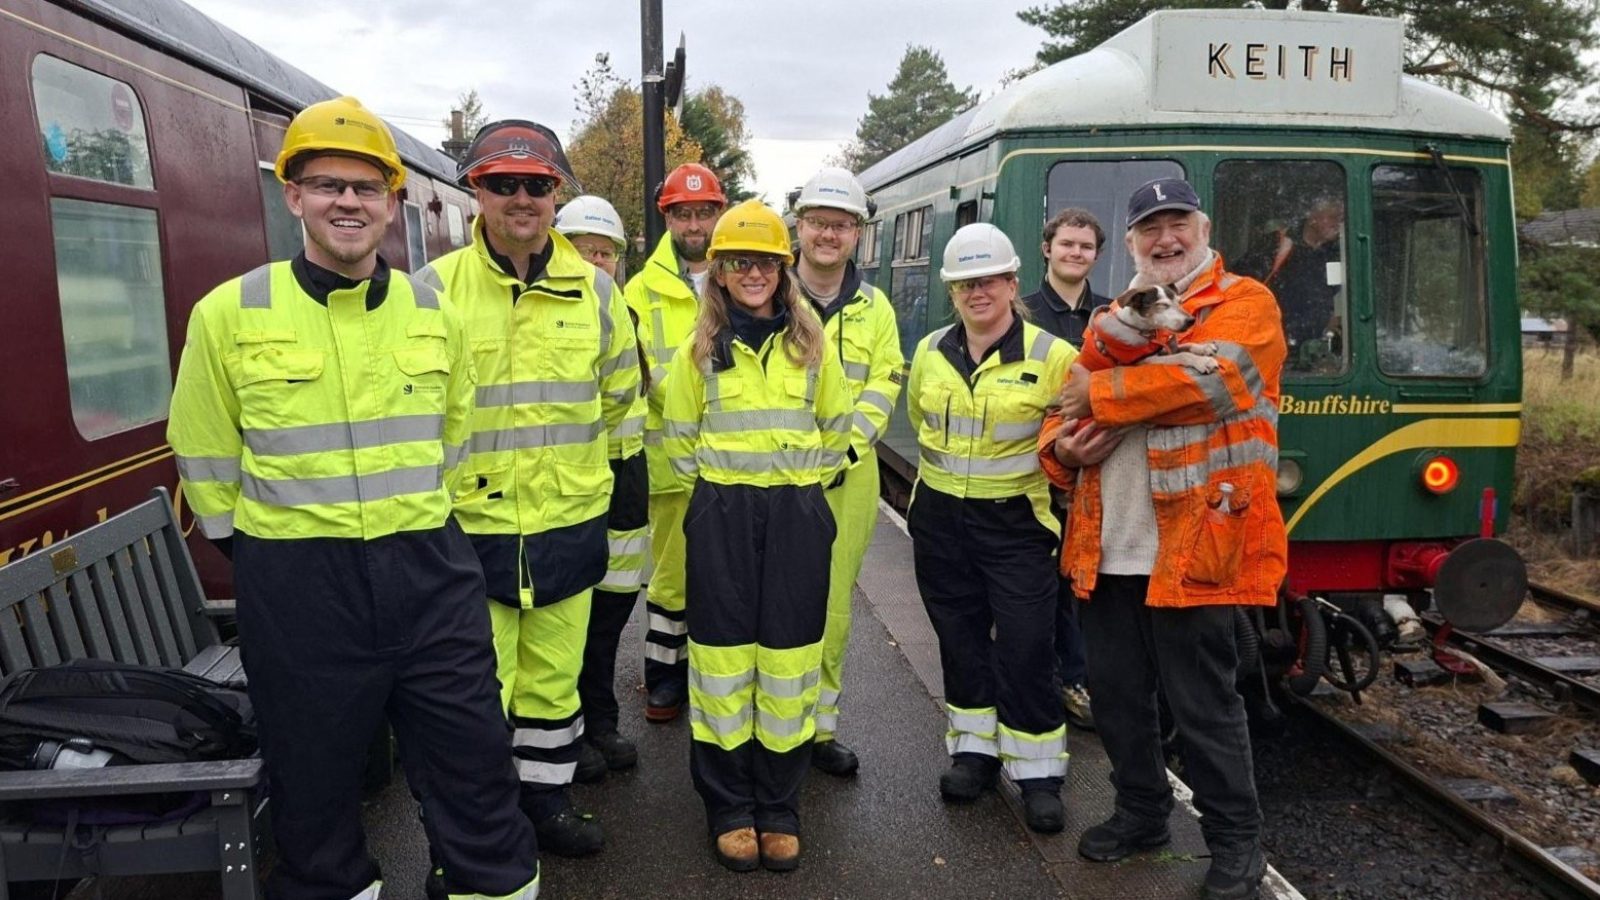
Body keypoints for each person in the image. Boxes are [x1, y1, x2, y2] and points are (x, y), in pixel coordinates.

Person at [169, 96, 538, 899]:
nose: (348, 201)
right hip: (299, 586)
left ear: (392, 202)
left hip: (431, 573)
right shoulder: (229, 314)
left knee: (476, 773)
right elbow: (202, 450)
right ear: (292, 195)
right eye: (326, 183)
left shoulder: (431, 310)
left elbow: (457, 433)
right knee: (314, 794)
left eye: (367, 188)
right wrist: (263, 549)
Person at [1039, 176, 1286, 900]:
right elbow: (1064, 407)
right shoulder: (1116, 317)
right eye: (1150, 229)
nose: (1165, 239)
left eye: (1177, 224)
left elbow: (1216, 381)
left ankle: (1236, 846)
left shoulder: (1246, 304)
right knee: (1116, 699)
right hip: (1107, 543)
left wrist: (1105, 396)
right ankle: (1142, 814)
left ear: (1202, 230)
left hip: (1195, 546)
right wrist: (1063, 451)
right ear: (1137, 243)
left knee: (1203, 704)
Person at [416, 120, 639, 857]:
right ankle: (482, 829)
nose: (521, 197)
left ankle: (546, 802)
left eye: (537, 185)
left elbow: (619, 404)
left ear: (556, 195)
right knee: (476, 695)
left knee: (551, 686)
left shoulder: (600, 295)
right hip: (469, 532)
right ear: (474, 191)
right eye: (502, 183)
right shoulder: (432, 293)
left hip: (567, 524)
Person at [659, 200, 853, 872]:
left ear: (783, 267)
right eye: (738, 261)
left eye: (765, 261)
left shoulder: (811, 346)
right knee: (719, 664)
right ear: (718, 272)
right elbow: (678, 442)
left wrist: (797, 490)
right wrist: (724, 493)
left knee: (790, 662)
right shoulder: (699, 352)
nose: (753, 272)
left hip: (797, 514)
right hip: (722, 517)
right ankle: (728, 806)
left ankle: (778, 804)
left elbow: (838, 429)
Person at [905, 223, 1076, 834]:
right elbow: (920, 424)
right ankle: (974, 752)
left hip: (1017, 523)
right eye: (964, 284)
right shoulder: (928, 353)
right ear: (953, 290)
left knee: (1029, 644)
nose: (977, 292)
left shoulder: (1054, 357)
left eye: (989, 280)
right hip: (942, 519)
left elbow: (1073, 437)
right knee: (960, 638)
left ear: (1011, 282)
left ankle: (1038, 774)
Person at [789, 167, 904, 777]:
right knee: (775, 602)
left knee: (833, 607)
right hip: (776, 479)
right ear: (799, 228)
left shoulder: (874, 308)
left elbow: (886, 380)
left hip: (848, 479)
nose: (828, 235)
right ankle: (769, 725)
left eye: (841, 225)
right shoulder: (767, 296)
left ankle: (817, 729)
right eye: (818, 223)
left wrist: (843, 449)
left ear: (857, 235)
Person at [624, 163, 727, 722]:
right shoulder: (640, 290)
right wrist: (694, 398)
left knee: (722, 576)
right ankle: (664, 677)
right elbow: (638, 371)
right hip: (669, 461)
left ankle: (712, 676)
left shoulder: (740, 275)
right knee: (669, 575)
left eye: (703, 212)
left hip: (733, 458)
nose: (694, 223)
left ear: (718, 213)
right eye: (683, 213)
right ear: (667, 217)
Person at [553, 194, 648, 778]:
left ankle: (600, 718)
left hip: (626, 474)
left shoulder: (623, 314)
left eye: (604, 253)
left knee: (612, 608)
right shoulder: (548, 314)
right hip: (571, 477)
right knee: (567, 614)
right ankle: (569, 732)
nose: (594, 262)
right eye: (582, 250)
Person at [1020, 207, 1109, 733]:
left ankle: (1077, 678)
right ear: (1047, 249)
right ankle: (1045, 677)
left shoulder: (1109, 315)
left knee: (1079, 582)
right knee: (1041, 584)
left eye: (1085, 246)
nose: (1075, 253)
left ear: (1096, 255)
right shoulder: (1023, 312)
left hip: (1089, 470)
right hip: (1034, 469)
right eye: (1067, 244)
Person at [1239, 194, 1344, 359]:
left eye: (1340, 218)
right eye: (1332, 217)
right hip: (1274, 343)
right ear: (1313, 218)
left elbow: (1340, 292)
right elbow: (1241, 284)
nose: (1337, 223)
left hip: (1320, 348)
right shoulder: (1275, 245)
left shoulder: (1339, 252)